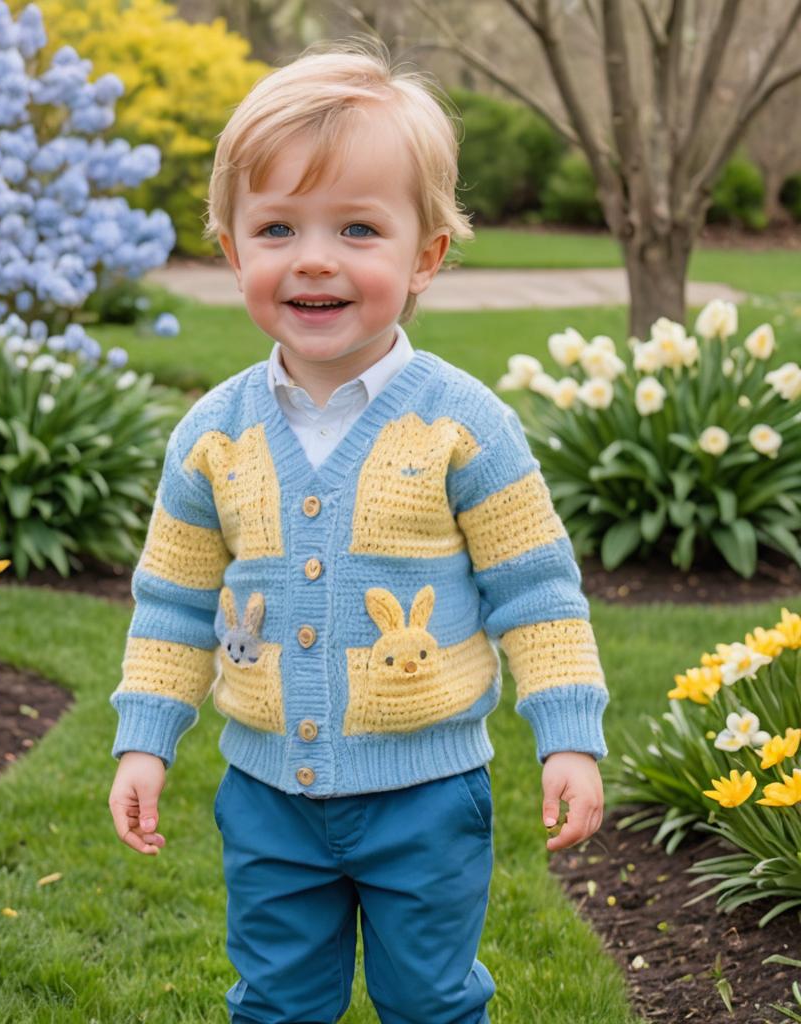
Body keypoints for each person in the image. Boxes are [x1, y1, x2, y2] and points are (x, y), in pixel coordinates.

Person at [108, 36, 609, 1024]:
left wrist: (568, 733)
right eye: (278, 227)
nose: (315, 259)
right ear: (232, 250)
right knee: (277, 1002)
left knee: (428, 1000)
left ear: (426, 256)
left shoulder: (465, 424)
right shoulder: (213, 434)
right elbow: (172, 601)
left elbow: (535, 589)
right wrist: (145, 738)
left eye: (357, 229)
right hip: (266, 797)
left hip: (425, 796)